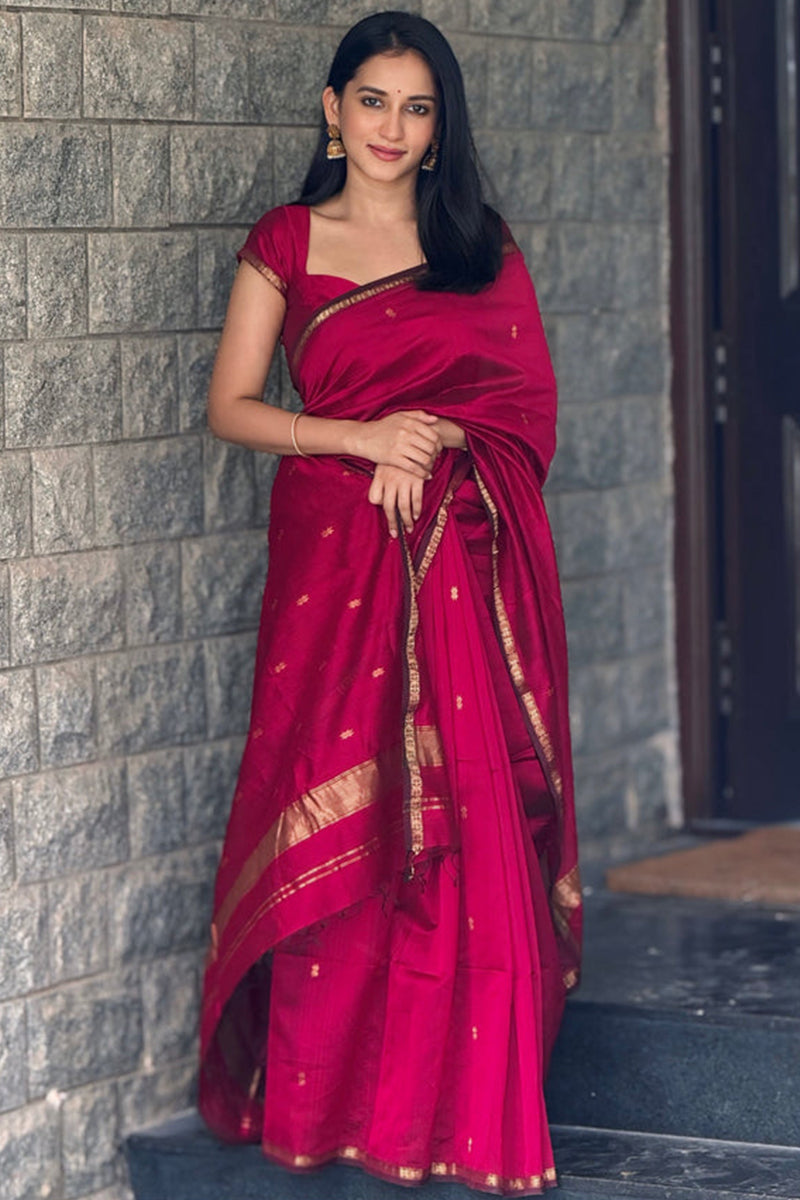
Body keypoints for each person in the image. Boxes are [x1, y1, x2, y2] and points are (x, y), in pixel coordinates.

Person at [197, 10, 582, 1196]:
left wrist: (440, 440)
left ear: (438, 125)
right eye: (372, 101)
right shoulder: (288, 239)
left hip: (457, 558)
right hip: (334, 565)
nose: (391, 128)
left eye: (417, 108)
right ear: (332, 108)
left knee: (460, 828)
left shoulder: (477, 247)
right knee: (335, 806)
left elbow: (522, 415)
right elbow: (231, 407)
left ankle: (460, 1108)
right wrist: (362, 438)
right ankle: (328, 1107)